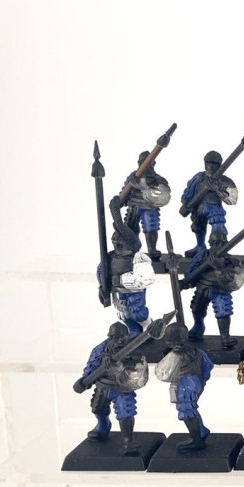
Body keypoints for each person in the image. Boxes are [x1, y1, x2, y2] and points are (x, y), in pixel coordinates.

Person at [73, 322, 149, 455]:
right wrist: (85, 379)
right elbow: (92, 363)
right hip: (103, 386)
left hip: (122, 387)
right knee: (98, 408)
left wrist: (127, 361)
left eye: (123, 337)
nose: (120, 340)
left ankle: (128, 440)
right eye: (117, 337)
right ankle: (102, 427)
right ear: (110, 337)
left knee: (125, 412)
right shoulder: (101, 349)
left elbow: (139, 362)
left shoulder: (132, 348)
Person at [100, 197, 156, 338]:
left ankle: (149, 328)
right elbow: (101, 270)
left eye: (120, 243)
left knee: (137, 313)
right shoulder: (110, 257)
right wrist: (102, 285)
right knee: (123, 314)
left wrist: (121, 280)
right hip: (118, 291)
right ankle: (134, 332)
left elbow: (145, 278)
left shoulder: (138, 257)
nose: (117, 245)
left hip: (134, 291)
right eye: (115, 242)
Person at [180, 230, 244, 348]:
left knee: (223, 311)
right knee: (197, 308)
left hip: (220, 290)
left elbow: (234, 279)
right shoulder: (202, 256)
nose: (218, 245)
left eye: (221, 243)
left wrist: (219, 269)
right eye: (215, 242)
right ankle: (198, 327)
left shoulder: (231, 261)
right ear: (210, 242)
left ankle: (225, 337)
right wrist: (186, 282)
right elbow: (193, 269)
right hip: (202, 287)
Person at [154, 323, 214, 451]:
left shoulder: (176, 355)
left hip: (186, 384)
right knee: (191, 409)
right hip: (195, 381)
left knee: (187, 411)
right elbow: (208, 366)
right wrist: (202, 380)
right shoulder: (197, 350)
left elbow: (165, 373)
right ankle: (201, 431)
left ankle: (196, 440)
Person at [179, 150, 238, 253]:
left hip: (215, 207)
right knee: (198, 226)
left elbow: (233, 198)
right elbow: (190, 190)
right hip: (199, 207)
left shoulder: (224, 180)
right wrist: (186, 204)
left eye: (214, 164)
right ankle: (200, 247)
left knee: (218, 225)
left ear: (219, 165)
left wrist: (218, 188)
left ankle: (217, 249)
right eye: (209, 163)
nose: (211, 166)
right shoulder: (199, 177)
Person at [121, 151, 171, 260]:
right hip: (134, 206)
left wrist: (151, 188)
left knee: (151, 228)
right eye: (143, 163)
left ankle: (152, 249)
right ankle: (131, 249)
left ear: (153, 164)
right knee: (130, 228)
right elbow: (125, 189)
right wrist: (121, 200)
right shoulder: (133, 177)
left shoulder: (157, 179)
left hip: (149, 207)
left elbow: (164, 191)